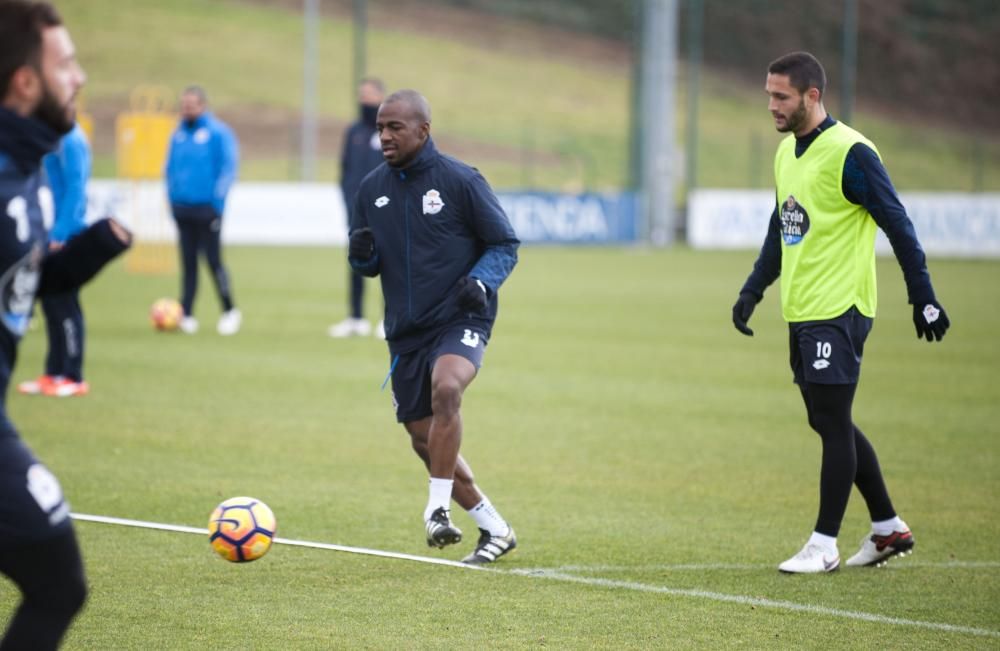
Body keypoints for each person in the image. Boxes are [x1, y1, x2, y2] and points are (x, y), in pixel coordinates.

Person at [731, 51, 950, 574]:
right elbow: (780, 227)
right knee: (827, 418)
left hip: (841, 308)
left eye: (780, 96)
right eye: (768, 94)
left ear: (812, 96)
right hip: (803, 307)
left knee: (831, 422)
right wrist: (753, 288)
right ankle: (887, 528)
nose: (771, 105)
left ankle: (823, 543)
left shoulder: (851, 152)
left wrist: (923, 296)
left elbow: (897, 224)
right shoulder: (788, 154)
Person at [0, 2, 131, 647]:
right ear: (26, 82)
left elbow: (19, 276)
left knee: (59, 584)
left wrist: (93, 247)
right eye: (66, 63)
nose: (79, 76)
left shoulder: (30, 166)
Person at [348, 90, 520, 564]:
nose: (384, 136)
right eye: (380, 127)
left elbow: (505, 243)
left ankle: (436, 511)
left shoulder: (461, 180)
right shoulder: (370, 189)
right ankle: (495, 529)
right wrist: (363, 259)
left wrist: (481, 283)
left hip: (461, 314)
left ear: (424, 130)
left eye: (395, 127)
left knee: (447, 390)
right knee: (424, 439)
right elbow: (369, 261)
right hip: (406, 330)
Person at [17, 121, 91, 398]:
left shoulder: (71, 139)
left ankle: (73, 376)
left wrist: (61, 231)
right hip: (47, 232)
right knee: (50, 304)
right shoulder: (51, 134)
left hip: (65, 234)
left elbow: (76, 187)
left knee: (65, 302)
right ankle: (53, 373)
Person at [164, 85, 241, 336]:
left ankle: (229, 310)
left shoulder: (218, 133)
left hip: (207, 209)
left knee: (213, 260)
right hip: (182, 208)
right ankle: (186, 312)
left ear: (203, 106)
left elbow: (228, 168)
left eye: (191, 105)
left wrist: (216, 202)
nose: (187, 109)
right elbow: (170, 168)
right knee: (188, 263)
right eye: (184, 105)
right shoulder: (177, 134)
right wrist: (172, 198)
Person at [329, 77, 387, 339]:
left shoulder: (388, 130)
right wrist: (346, 196)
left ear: (381, 97)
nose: (364, 99)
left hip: (385, 208)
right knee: (356, 259)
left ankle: (388, 318)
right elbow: (345, 168)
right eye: (361, 94)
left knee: (390, 263)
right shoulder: (353, 131)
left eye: (369, 94)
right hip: (356, 209)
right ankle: (355, 317)